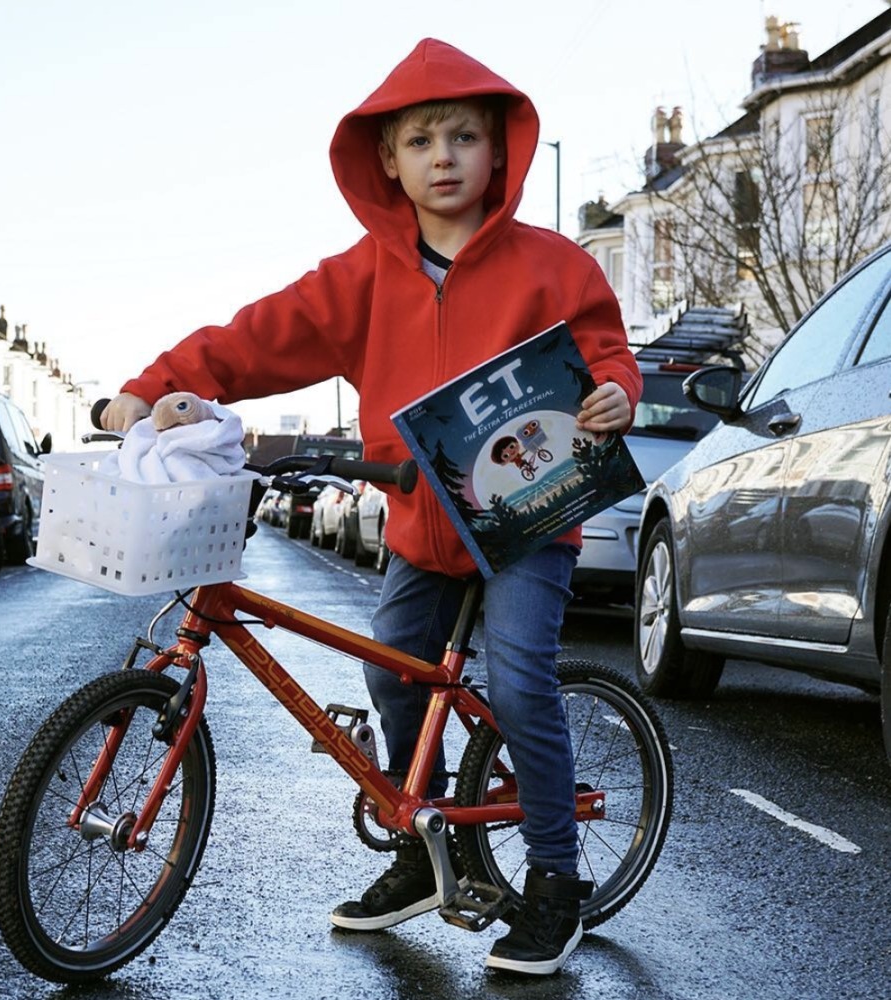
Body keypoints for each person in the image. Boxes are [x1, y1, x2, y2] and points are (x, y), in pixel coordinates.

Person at [102, 38, 642, 977]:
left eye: (464, 136)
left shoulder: (553, 266)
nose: (444, 156)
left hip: (524, 528)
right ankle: (416, 848)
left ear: (499, 149)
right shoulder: (361, 278)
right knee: (394, 675)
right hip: (422, 531)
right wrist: (149, 389)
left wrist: (616, 394)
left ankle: (555, 881)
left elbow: (605, 353)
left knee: (517, 687)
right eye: (422, 139)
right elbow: (251, 340)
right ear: (386, 160)